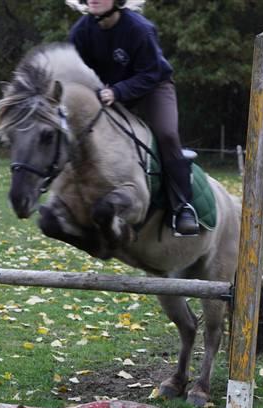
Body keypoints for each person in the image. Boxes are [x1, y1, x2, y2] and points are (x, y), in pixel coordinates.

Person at [67, 0, 199, 236]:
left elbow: (151, 73)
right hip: (108, 92)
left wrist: (117, 92)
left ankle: (183, 207)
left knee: (167, 134)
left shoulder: (139, 28)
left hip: (153, 87)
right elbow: (77, 74)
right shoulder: (80, 32)